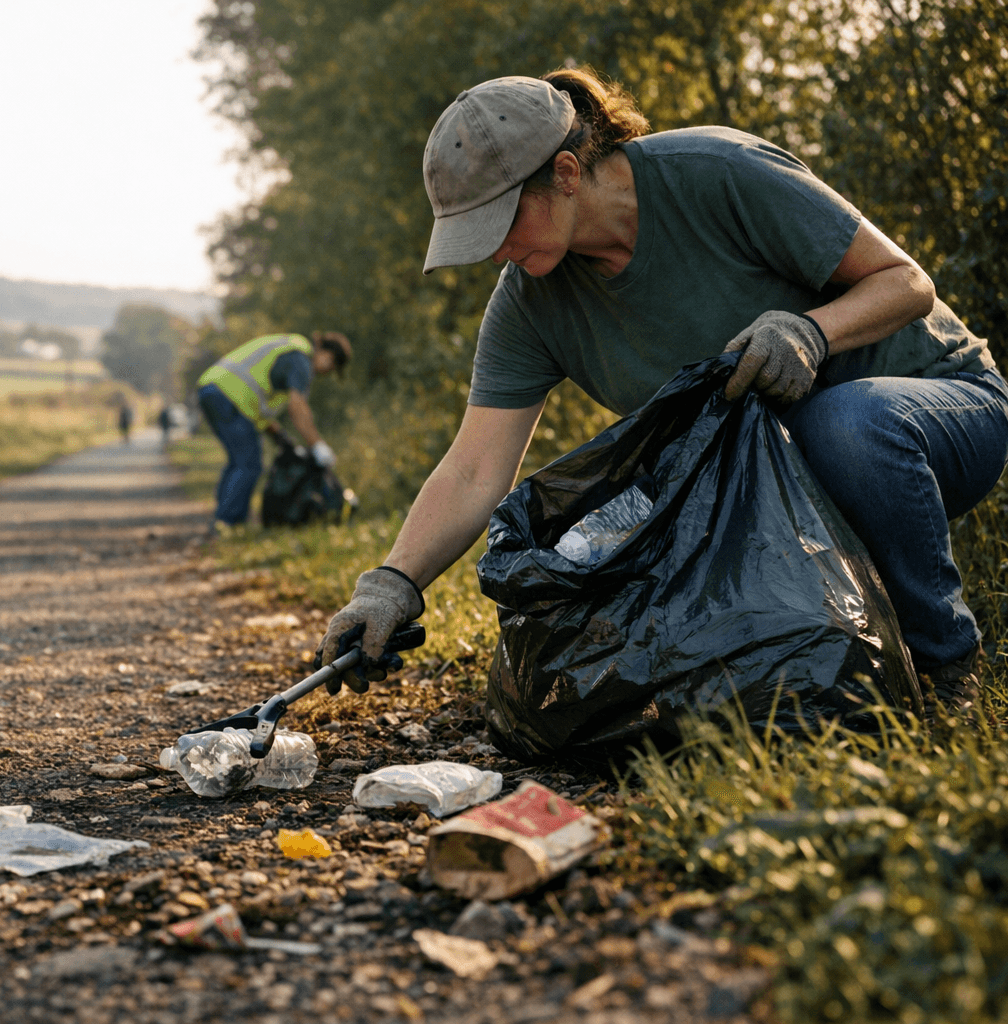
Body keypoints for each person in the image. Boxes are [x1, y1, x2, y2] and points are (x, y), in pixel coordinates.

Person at [317, 69, 1008, 715]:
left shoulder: (718, 172)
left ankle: (946, 666)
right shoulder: (530, 300)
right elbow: (474, 469)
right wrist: (391, 584)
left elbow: (908, 284)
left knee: (845, 423)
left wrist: (809, 332)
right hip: (781, 481)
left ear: (564, 174)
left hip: (934, 413)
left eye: (499, 225)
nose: (494, 252)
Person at [197, 331, 352, 528]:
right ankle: (227, 523)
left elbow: (260, 404)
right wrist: (318, 444)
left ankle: (223, 520)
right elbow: (298, 408)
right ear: (326, 355)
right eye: (331, 365)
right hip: (229, 394)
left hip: (212, 388)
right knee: (249, 464)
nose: (327, 372)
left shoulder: (290, 349)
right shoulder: (301, 361)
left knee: (239, 460)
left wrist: (278, 435)